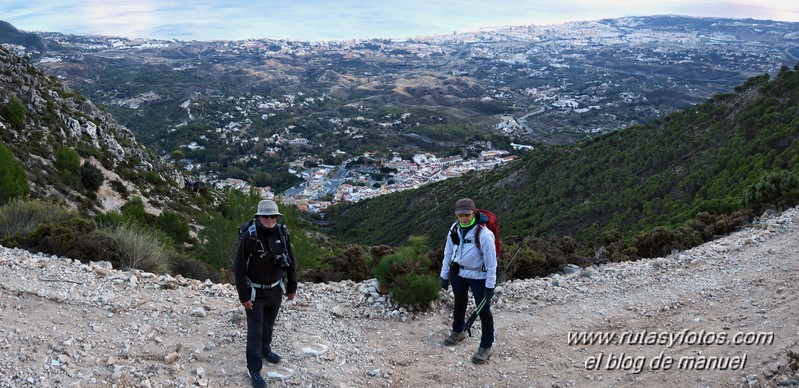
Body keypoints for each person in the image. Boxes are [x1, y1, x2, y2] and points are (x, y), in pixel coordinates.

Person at [233, 199, 298, 388]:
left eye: (273, 216)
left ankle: (265, 350)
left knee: (268, 325)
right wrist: (243, 296)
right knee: (255, 331)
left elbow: (291, 261)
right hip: (254, 292)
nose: (270, 219)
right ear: (258, 217)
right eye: (266, 216)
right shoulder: (250, 237)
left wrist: (292, 286)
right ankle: (254, 368)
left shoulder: (282, 233)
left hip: (276, 290)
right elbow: (238, 267)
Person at [439, 198, 497, 364]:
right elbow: (448, 252)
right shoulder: (454, 229)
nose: (464, 218)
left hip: (479, 276)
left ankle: (486, 346)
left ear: (474, 212)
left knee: (483, 310)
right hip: (459, 273)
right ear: (457, 215)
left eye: (467, 214)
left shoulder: (484, 234)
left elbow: (492, 263)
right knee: (459, 302)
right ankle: (458, 331)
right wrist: (444, 275)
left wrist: (490, 286)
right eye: (460, 214)